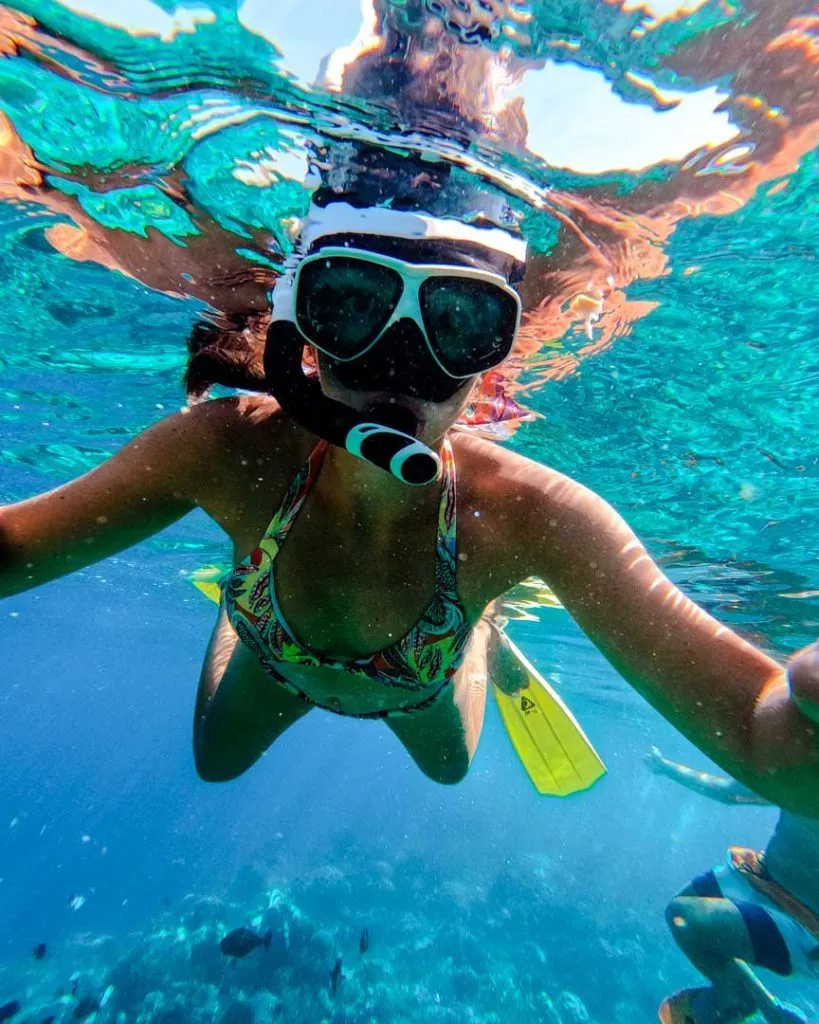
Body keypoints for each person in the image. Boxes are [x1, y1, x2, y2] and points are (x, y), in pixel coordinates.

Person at [1, 144, 819, 804]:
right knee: (214, 764)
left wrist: (803, 724)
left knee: (449, 771)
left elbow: (758, 735)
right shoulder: (228, 451)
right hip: (273, 654)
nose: (398, 363)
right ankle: (245, 599)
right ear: (300, 334)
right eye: (352, 304)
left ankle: (477, 632)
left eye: (458, 322)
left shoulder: (536, 516)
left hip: (417, 684)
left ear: (490, 366)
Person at [646, 746, 819, 1024]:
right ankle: (764, 1006)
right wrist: (666, 767)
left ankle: (734, 1000)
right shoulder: (803, 769)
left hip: (804, 926)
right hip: (759, 878)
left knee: (684, 916)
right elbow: (729, 792)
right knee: (686, 902)